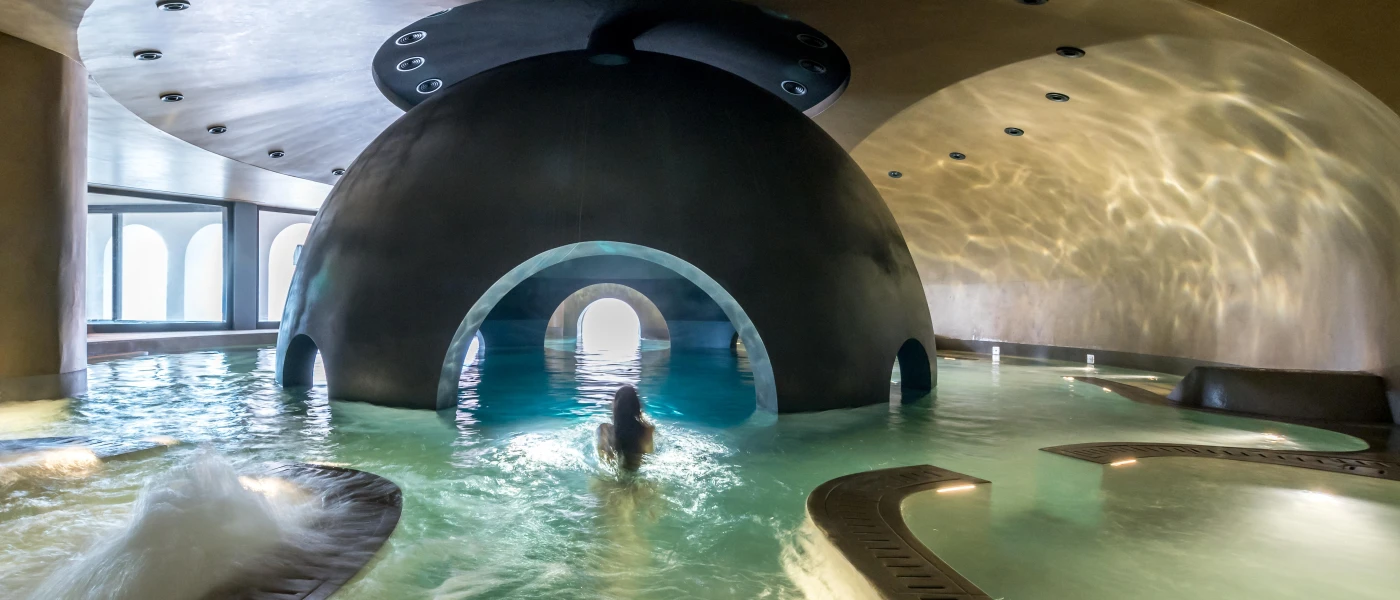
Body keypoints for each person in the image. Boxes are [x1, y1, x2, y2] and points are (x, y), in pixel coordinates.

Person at [597, 384, 655, 471]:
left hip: (613, 474)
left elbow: (602, 455)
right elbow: (649, 453)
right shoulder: (647, 431)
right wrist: (640, 417)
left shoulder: (604, 429)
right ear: (636, 406)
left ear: (615, 406)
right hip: (636, 474)